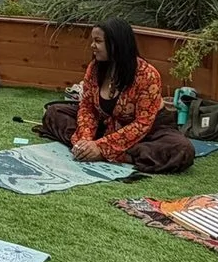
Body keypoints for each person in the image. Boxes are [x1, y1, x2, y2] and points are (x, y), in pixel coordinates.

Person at [70, 19, 196, 172]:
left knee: (181, 149)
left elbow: (142, 123)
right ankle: (90, 149)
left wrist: (101, 148)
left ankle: (118, 155)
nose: (92, 46)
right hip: (108, 123)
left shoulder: (147, 75)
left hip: (150, 130)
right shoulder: (95, 68)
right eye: (93, 40)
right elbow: (87, 107)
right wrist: (85, 139)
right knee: (55, 112)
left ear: (116, 44)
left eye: (98, 41)